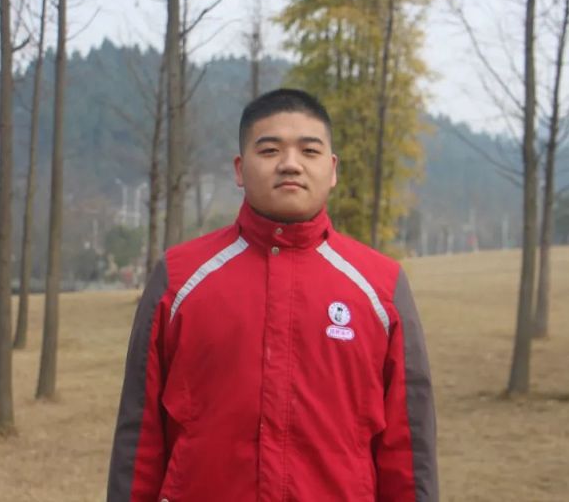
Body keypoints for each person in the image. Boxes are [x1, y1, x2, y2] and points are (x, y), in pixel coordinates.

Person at [107, 88, 438, 502]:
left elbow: (408, 448)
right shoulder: (179, 279)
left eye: (309, 151)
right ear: (240, 168)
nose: (290, 164)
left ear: (332, 169)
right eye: (269, 150)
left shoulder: (381, 287)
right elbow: (139, 437)